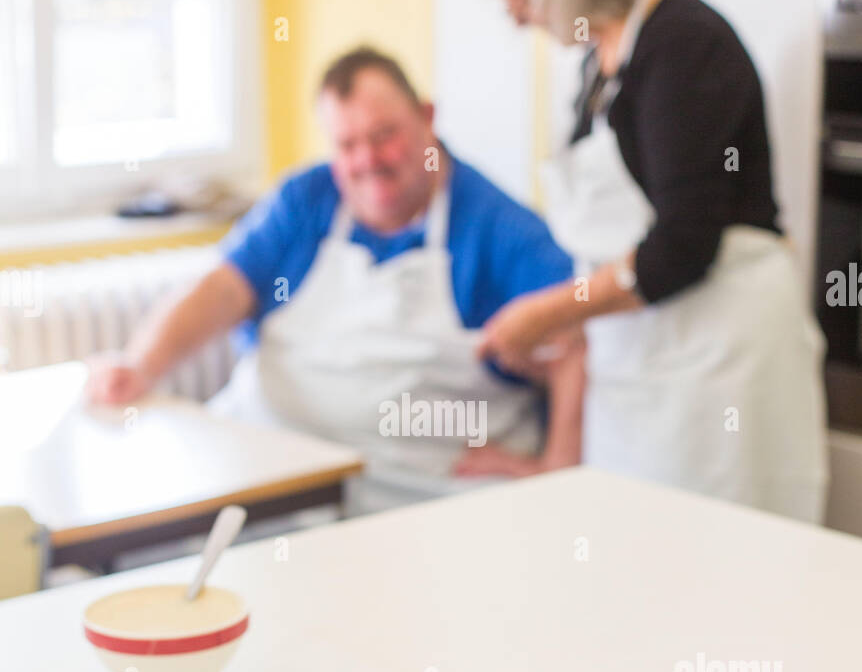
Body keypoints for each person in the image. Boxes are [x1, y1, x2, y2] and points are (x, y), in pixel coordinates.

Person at [462, 0, 828, 522]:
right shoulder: (598, 58)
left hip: (719, 361)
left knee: (726, 568)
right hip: (642, 367)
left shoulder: (686, 46)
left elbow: (681, 248)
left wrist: (550, 312)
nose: (515, 18)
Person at [88, 47, 582, 513]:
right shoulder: (304, 200)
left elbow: (578, 339)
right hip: (276, 471)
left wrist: (554, 470)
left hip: (424, 493)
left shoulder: (500, 228)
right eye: (348, 144)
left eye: (384, 135)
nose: (369, 161)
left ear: (427, 118)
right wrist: (140, 365)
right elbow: (221, 290)